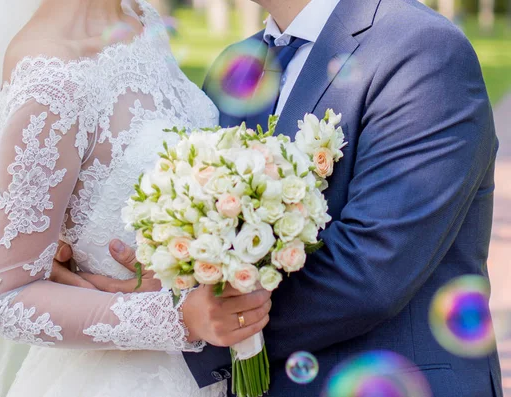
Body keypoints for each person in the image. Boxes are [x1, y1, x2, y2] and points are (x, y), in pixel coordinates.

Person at [57, 0, 503, 395]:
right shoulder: (237, 63)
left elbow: (370, 271)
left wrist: (188, 318)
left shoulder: (421, 49)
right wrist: (75, 246)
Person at [0, 0, 271, 396]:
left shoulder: (138, 18)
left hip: (211, 372)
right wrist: (179, 317)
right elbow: (9, 298)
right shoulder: (51, 78)